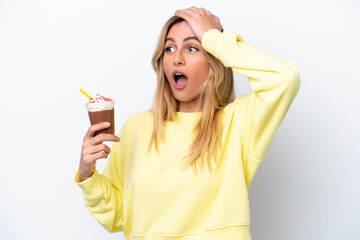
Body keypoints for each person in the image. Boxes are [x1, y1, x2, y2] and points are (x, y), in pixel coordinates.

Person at [75, 7, 300, 240]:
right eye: (169, 48)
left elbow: (284, 79)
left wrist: (214, 38)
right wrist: (87, 174)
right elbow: (118, 216)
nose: (177, 59)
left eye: (192, 48)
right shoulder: (137, 127)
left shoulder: (238, 123)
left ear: (215, 61)